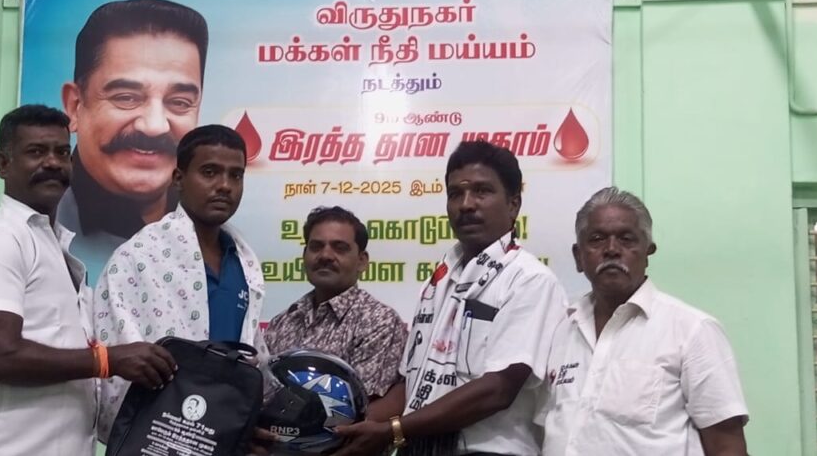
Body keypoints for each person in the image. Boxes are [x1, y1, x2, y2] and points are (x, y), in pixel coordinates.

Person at [0, 105, 177, 456]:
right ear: (3, 165)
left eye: (62, 152)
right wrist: (107, 361)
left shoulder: (53, 244)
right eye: (36, 152)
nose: (52, 162)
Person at [334, 140, 569, 456]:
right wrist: (341, 429)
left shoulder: (529, 280)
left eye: (482, 191)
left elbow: (498, 389)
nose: (466, 204)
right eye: (455, 193)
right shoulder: (439, 281)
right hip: (418, 447)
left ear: (514, 204)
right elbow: (410, 384)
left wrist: (394, 431)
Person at [536, 187, 748, 455]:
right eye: (597, 239)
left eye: (626, 239)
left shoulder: (693, 330)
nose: (611, 249)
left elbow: (727, 446)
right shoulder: (561, 330)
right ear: (579, 257)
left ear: (648, 252)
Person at [93, 124, 267, 443]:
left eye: (236, 175)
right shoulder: (139, 256)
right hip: (156, 434)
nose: (224, 186)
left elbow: (253, 358)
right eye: (210, 172)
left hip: (225, 435)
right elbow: (118, 360)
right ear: (178, 179)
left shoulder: (244, 262)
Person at [59, 0, 209, 285]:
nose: (154, 126)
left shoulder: (214, 236)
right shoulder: (40, 231)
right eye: (126, 98)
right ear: (75, 107)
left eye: (179, 102)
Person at [264, 206, 408, 412]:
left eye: (340, 248)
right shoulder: (283, 321)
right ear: (304, 255)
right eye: (316, 247)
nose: (325, 255)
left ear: (362, 261)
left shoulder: (379, 321)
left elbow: (358, 410)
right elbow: (264, 393)